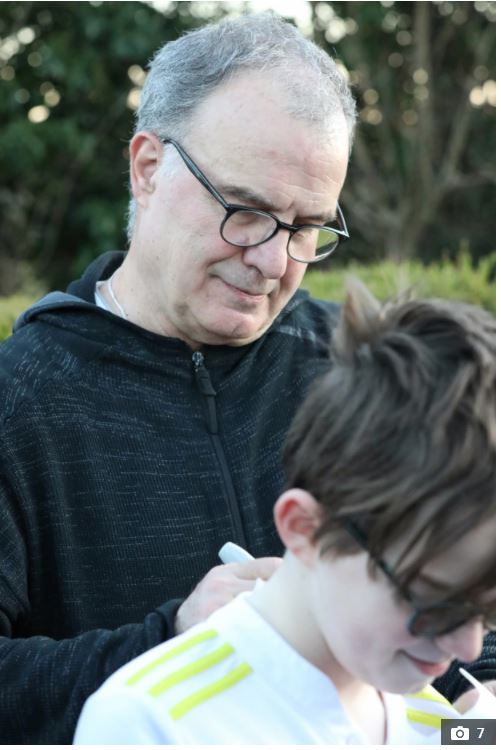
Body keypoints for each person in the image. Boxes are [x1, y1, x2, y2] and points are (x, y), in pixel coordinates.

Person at [0, 12, 494, 744]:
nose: (272, 261)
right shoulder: (19, 401)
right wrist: (172, 638)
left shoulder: (360, 361)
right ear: (147, 166)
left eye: (306, 228)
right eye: (246, 211)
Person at [73, 280, 495, 745]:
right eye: (434, 604)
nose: (469, 647)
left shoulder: (443, 723)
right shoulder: (153, 724)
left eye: (490, 609)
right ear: (305, 529)